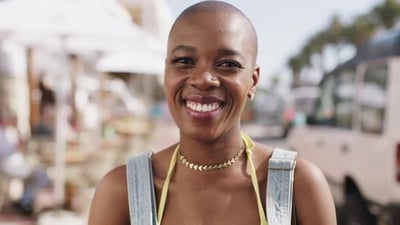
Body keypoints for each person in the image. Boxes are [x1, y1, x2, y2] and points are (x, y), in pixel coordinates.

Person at [88, 1, 337, 225]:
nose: (204, 80)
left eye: (228, 65)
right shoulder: (124, 191)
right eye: (184, 61)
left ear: (253, 81)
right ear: (166, 73)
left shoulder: (298, 186)